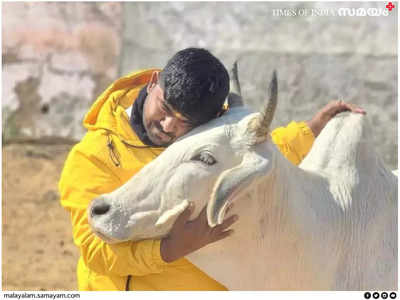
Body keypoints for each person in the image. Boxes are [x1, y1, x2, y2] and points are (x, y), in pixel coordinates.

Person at [59, 47, 365, 291]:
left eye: (184, 121)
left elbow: (243, 155)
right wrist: (168, 249)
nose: (168, 126)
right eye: (165, 109)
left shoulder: (204, 132)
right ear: (153, 82)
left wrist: (310, 130)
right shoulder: (93, 155)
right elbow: (95, 250)